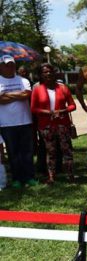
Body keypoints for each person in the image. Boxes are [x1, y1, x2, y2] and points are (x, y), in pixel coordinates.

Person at [30, 63, 76, 184]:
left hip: (62, 124)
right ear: (41, 75)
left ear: (54, 73)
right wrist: (48, 112)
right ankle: (51, 176)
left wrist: (62, 111)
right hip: (46, 125)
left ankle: (71, 175)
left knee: (66, 150)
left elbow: (73, 105)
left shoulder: (63, 88)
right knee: (50, 151)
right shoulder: (37, 89)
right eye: (45, 72)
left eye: (50, 71)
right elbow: (33, 108)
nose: (48, 74)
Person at [0, 55, 38, 188]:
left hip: (25, 121)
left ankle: (29, 177)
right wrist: (17, 94)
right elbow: (1, 100)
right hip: (6, 123)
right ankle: (17, 178)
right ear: (1, 66)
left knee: (27, 151)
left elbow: (26, 95)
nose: (10, 67)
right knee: (13, 152)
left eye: (12, 64)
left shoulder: (23, 80)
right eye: (7, 65)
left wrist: (6, 95)